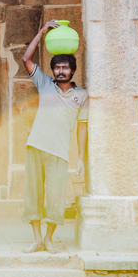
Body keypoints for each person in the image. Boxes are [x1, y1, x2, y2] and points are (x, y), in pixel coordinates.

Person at [20, 21, 88, 254]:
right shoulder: (45, 84)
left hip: (59, 152)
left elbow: (82, 128)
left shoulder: (82, 96)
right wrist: (41, 32)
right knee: (34, 196)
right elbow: (26, 59)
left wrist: (80, 158)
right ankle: (37, 239)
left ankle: (49, 239)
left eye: (65, 68)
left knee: (56, 198)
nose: (60, 71)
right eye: (57, 67)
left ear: (72, 71)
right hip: (35, 146)